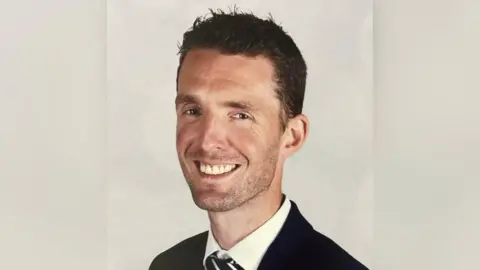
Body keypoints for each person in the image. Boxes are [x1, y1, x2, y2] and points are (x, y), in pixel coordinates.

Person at [149, 8, 368, 270]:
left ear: (292, 137)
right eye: (193, 111)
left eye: (240, 115)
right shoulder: (168, 265)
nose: (208, 141)